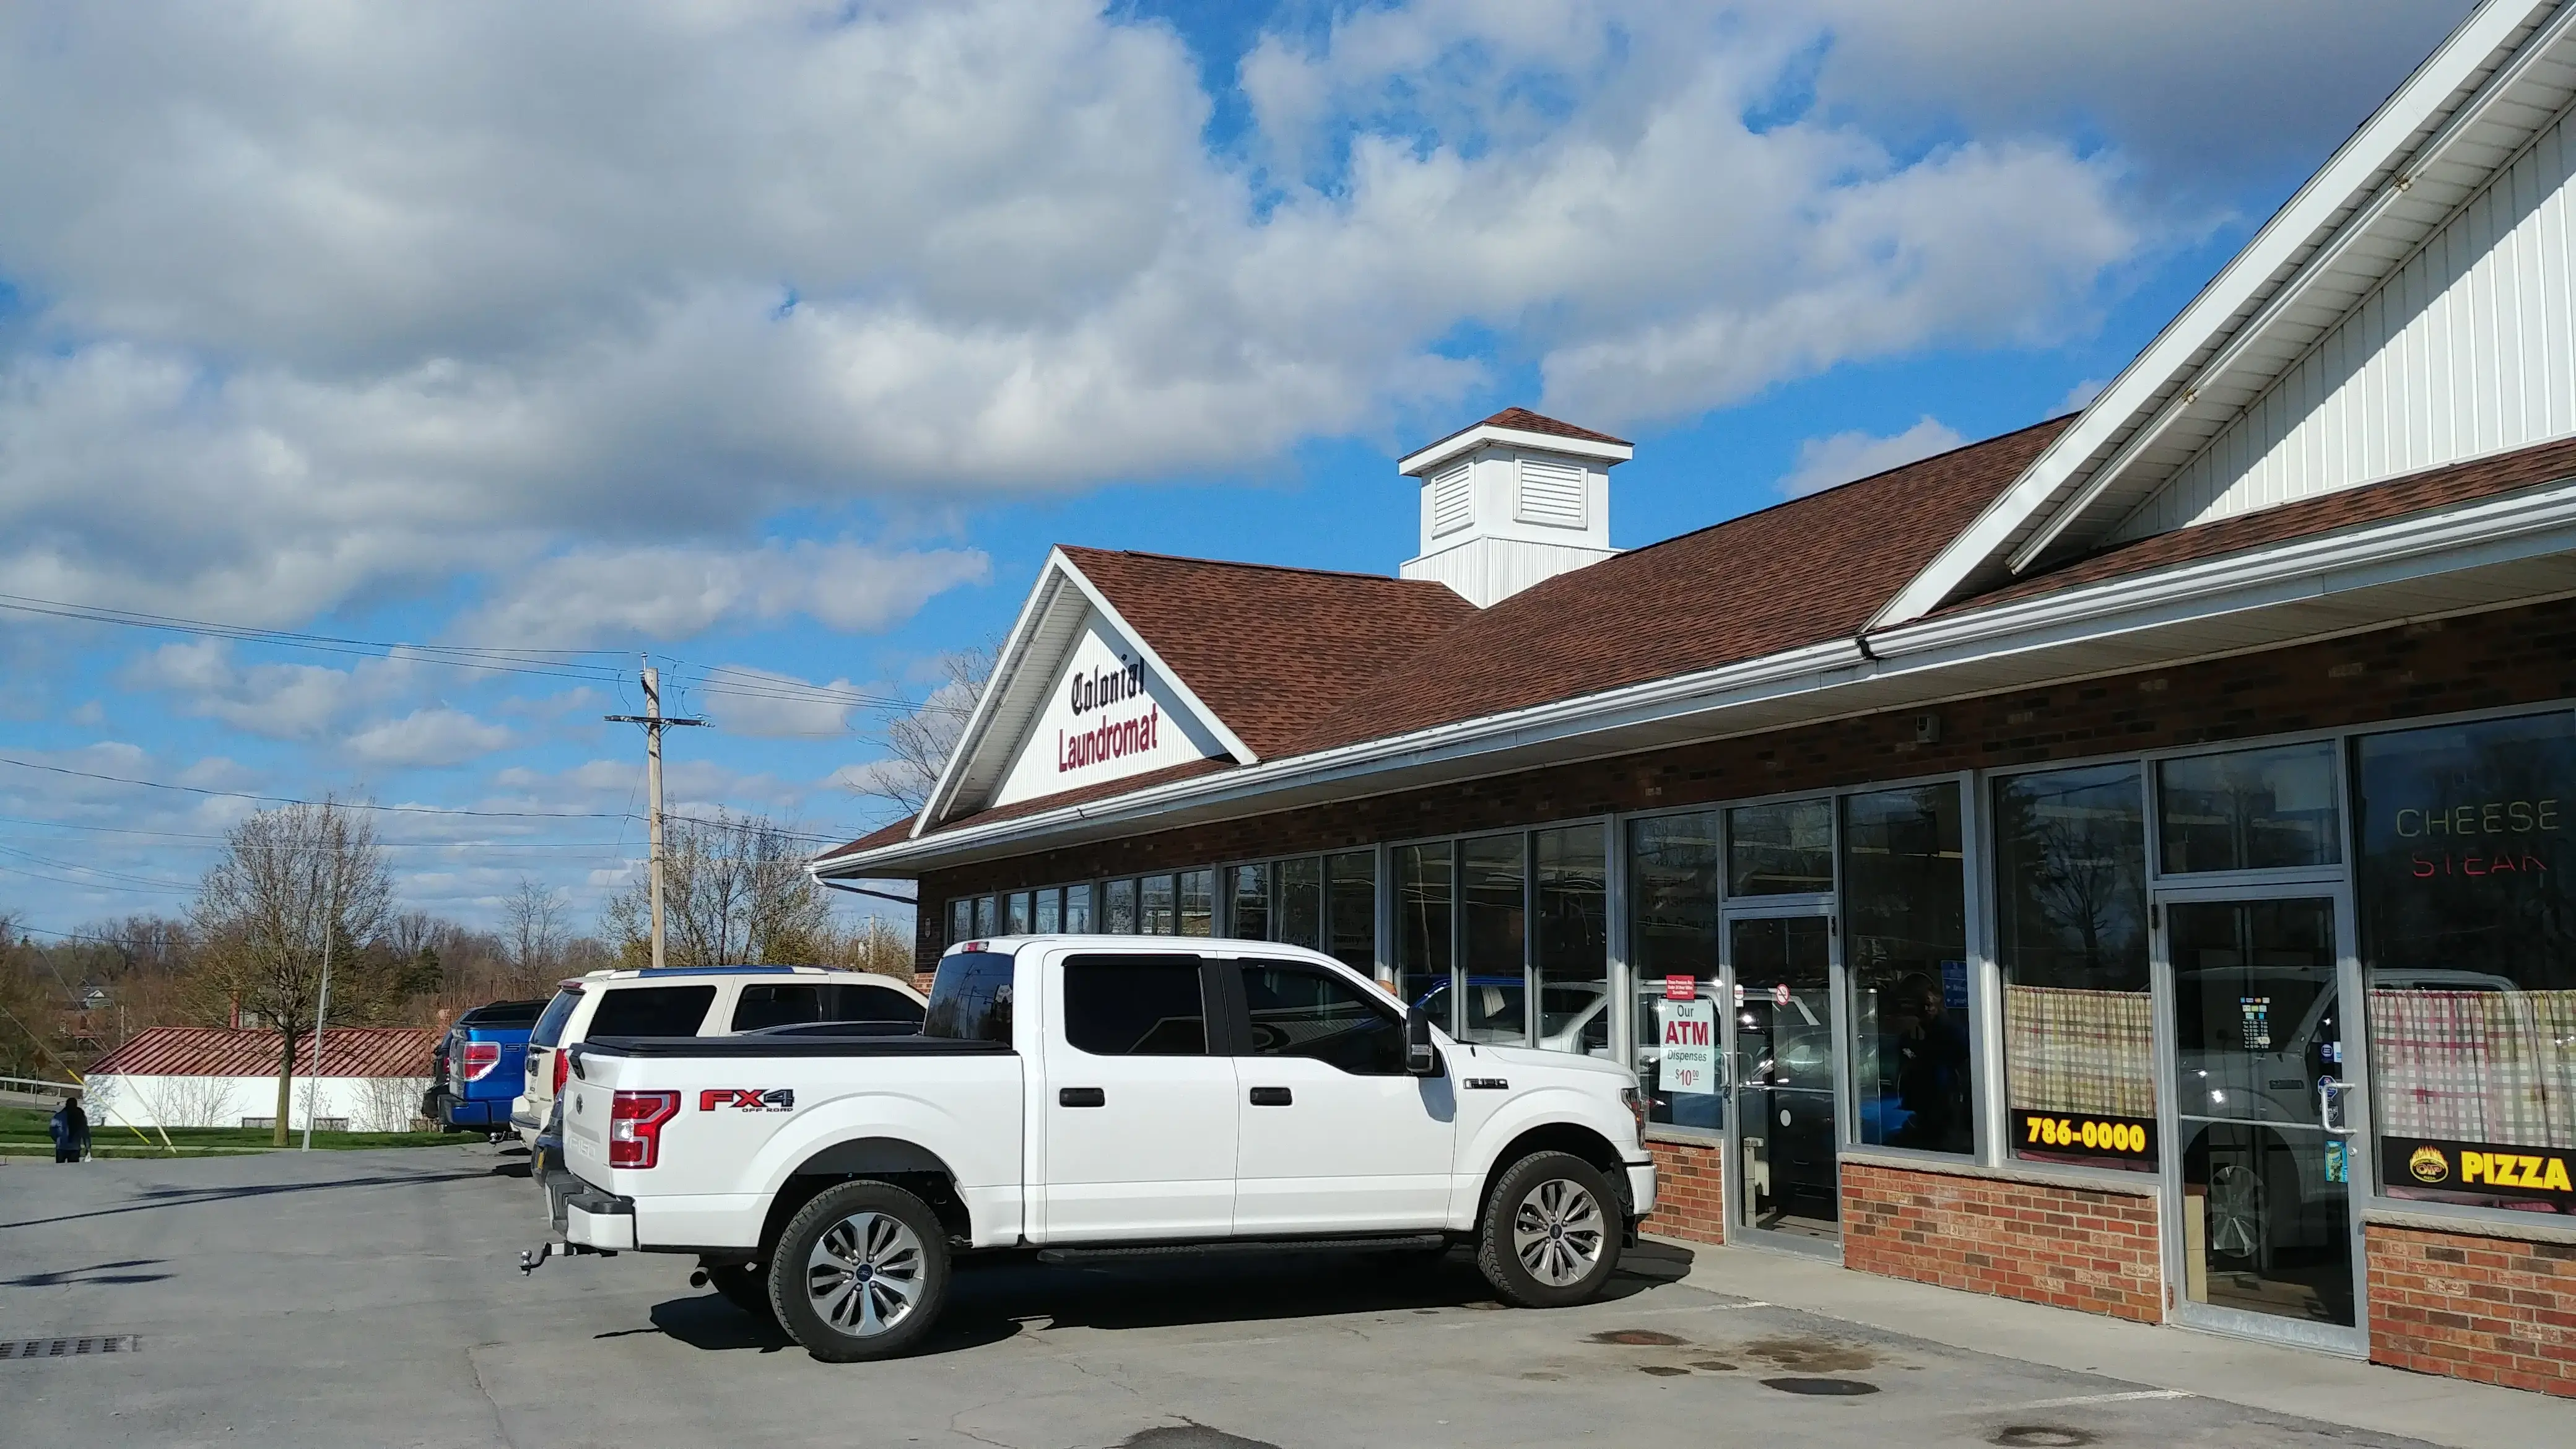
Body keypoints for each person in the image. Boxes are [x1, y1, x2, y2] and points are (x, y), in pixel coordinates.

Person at [51, 1092, 91, 1164]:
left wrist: (57, 1139)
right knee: (73, 1170)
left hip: (61, 1146)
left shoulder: (59, 1116)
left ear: (66, 1105)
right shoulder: (80, 1117)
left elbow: (53, 1130)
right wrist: (88, 1147)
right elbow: (86, 1133)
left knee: (60, 1169)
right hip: (75, 1147)